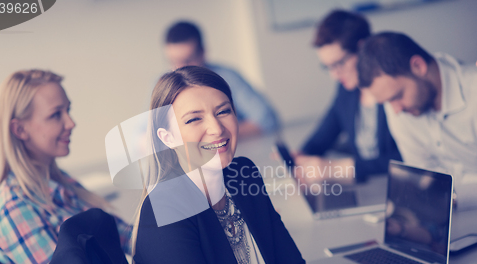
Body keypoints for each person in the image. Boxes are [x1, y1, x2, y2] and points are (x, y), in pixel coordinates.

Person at [133, 66, 406, 264]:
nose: (216, 128)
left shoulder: (242, 175)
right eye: (194, 119)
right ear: (167, 138)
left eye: (223, 111)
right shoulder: (164, 211)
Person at [0, 69, 133, 264]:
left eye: (68, 110)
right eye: (55, 115)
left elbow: (123, 234)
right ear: (20, 129)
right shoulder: (13, 209)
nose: (70, 123)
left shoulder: (59, 183)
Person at [357, 32, 477, 209]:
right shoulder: (396, 106)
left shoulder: (472, 91)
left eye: (397, 97)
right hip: (455, 214)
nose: (396, 110)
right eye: (388, 102)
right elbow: (424, 176)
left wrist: (451, 196)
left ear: (418, 66)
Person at [298, 10, 401, 183]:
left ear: (362, 49)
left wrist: (343, 168)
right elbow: (323, 136)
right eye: (328, 67)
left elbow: (409, 157)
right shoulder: (347, 90)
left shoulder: (393, 88)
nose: (334, 75)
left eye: (339, 63)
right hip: (372, 189)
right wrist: (301, 156)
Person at [163, 21, 280, 138]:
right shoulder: (161, 85)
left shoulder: (228, 77)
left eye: (189, 60)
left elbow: (267, 119)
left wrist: (216, 137)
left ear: (203, 53)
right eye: (174, 61)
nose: (181, 68)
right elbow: (146, 135)